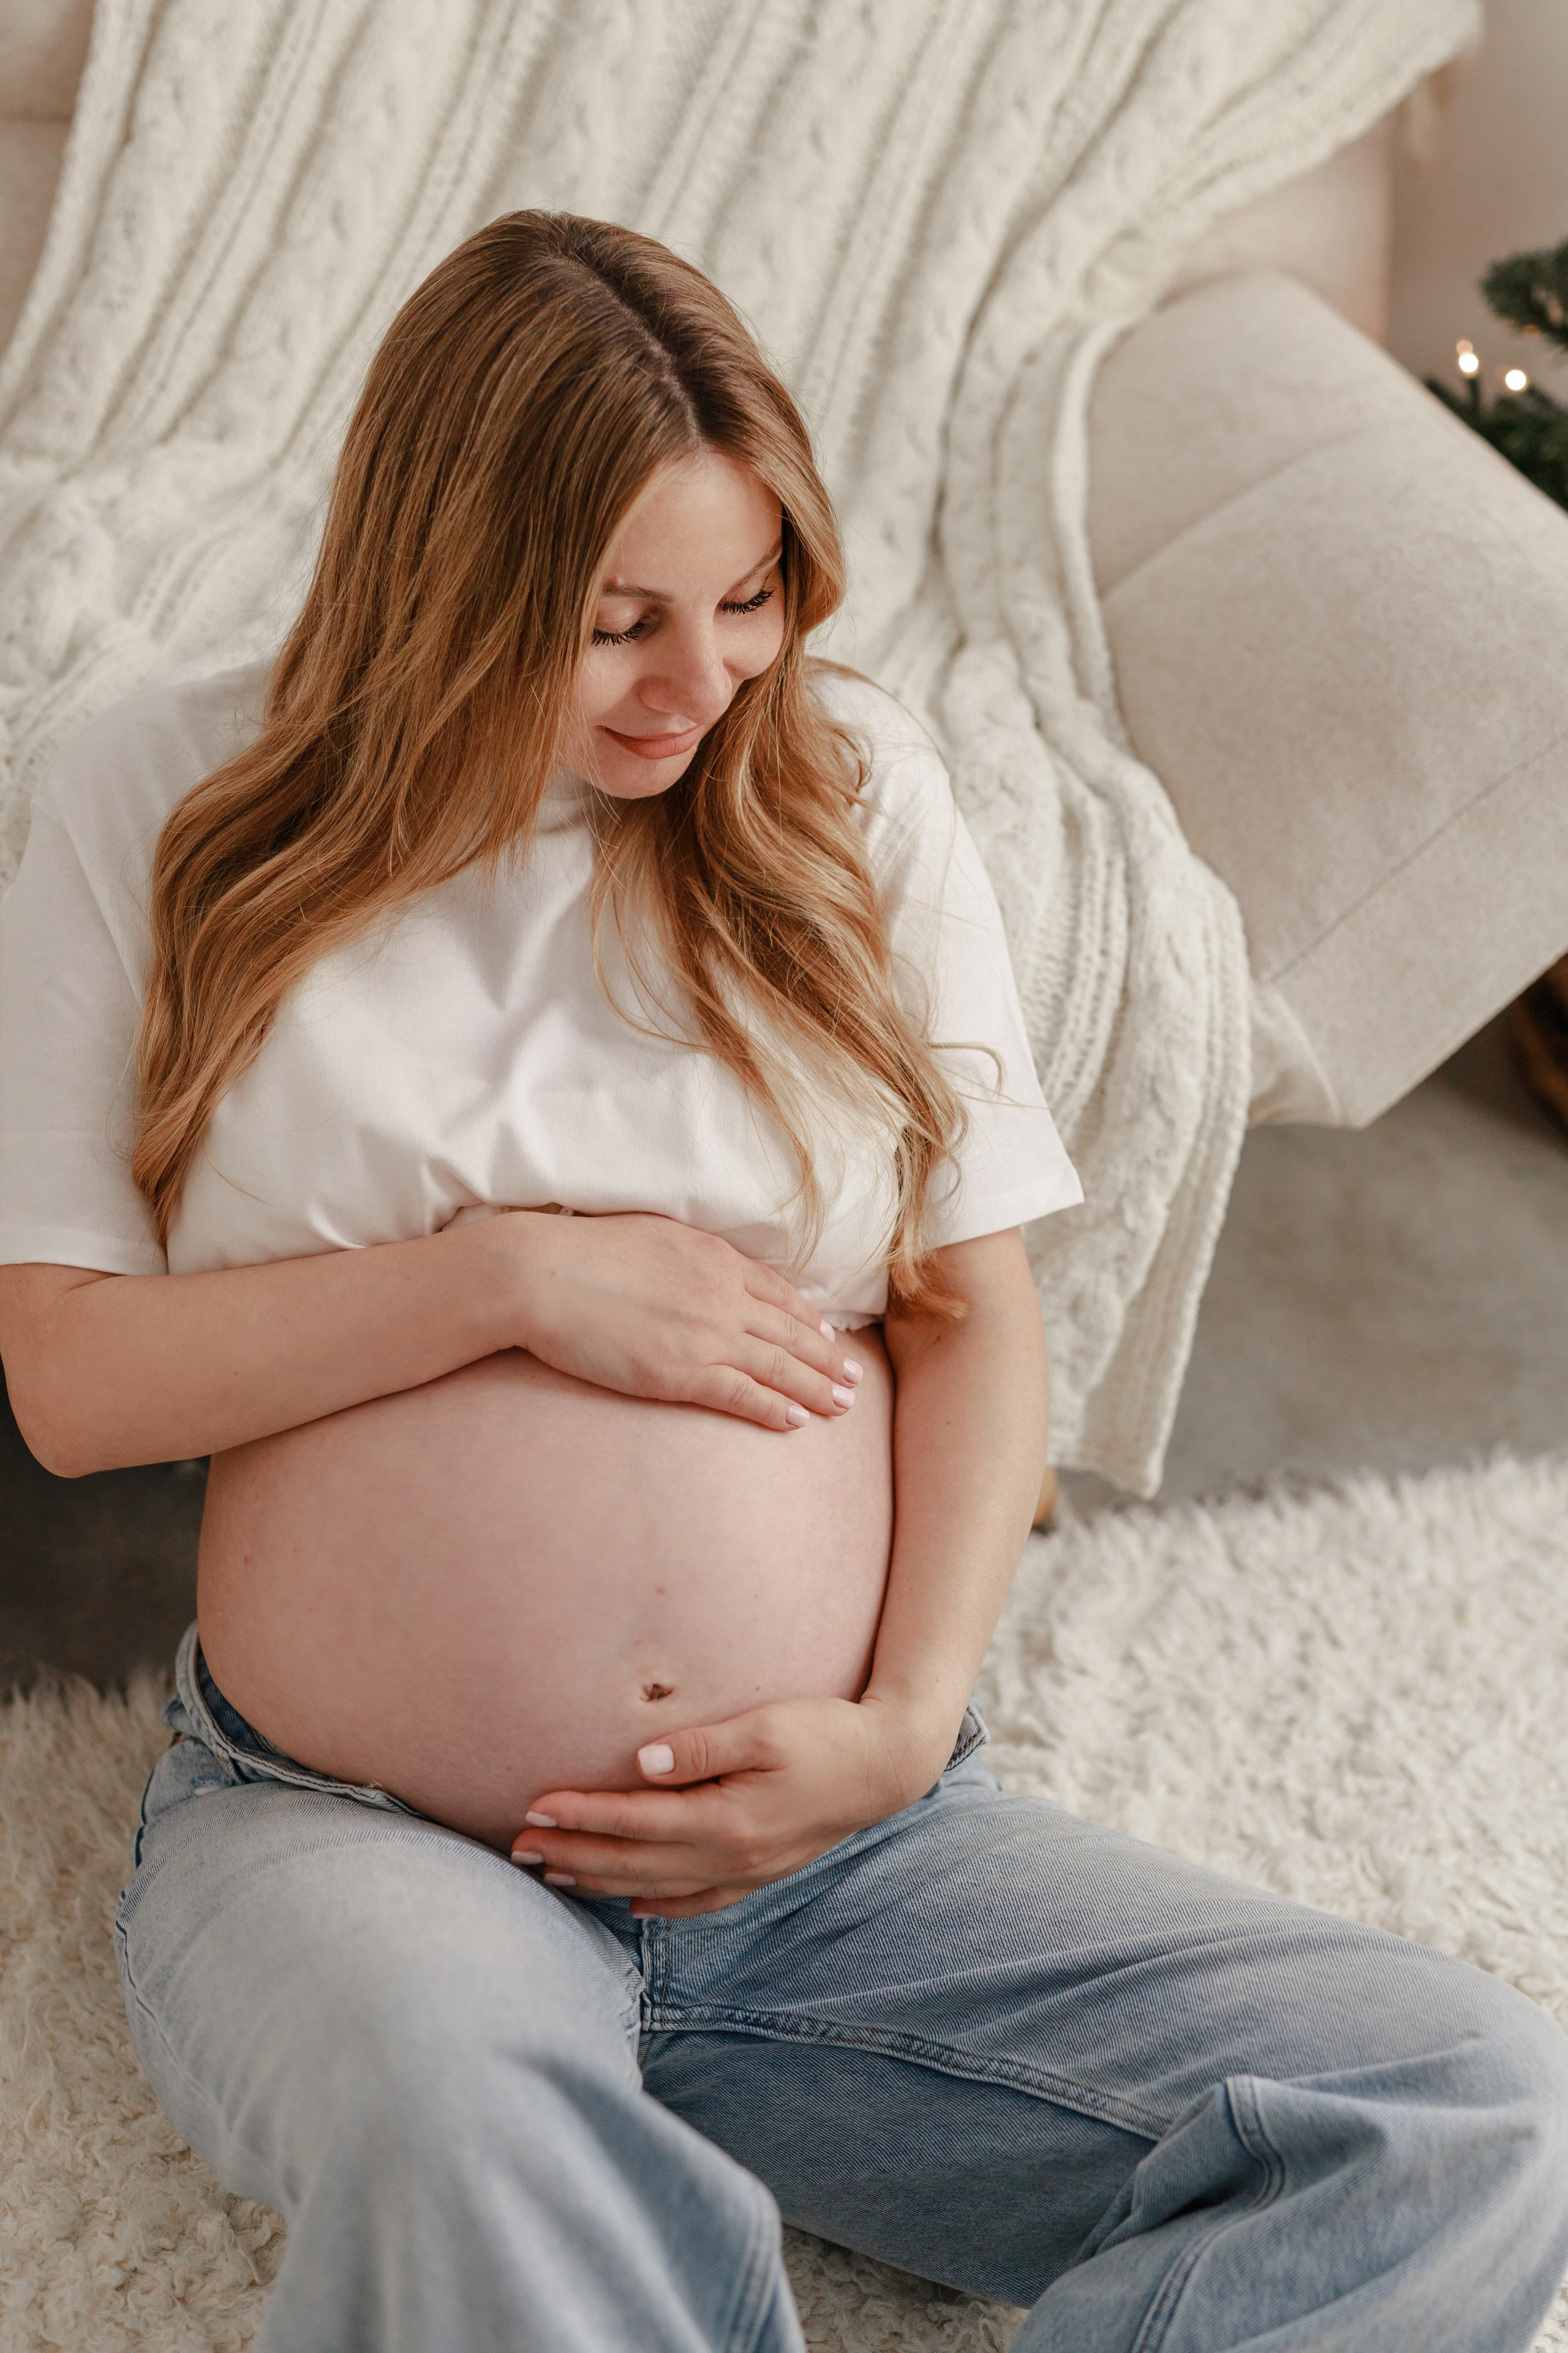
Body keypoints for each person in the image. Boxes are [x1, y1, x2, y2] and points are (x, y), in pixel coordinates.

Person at [1, 211, 1565, 2353]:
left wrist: (899, 1726)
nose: (701, 682)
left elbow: (969, 1305)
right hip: (366, 1849)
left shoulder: (843, 791)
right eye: (617, 622)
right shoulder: (160, 790)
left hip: (839, 1857)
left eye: (749, 600)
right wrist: (505, 1282)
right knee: (469, 2130)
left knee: (1467, 2106)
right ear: (440, 578)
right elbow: (74, 1380)